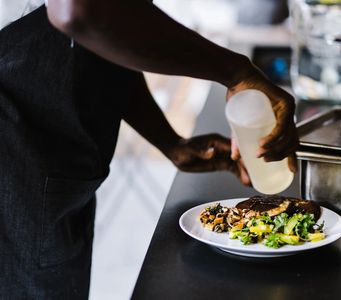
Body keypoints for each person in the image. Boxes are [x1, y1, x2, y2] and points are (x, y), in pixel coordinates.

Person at [0, 0, 298, 298]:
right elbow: (81, 12)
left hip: (56, 166)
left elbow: (107, 32)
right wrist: (236, 71)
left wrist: (170, 142)